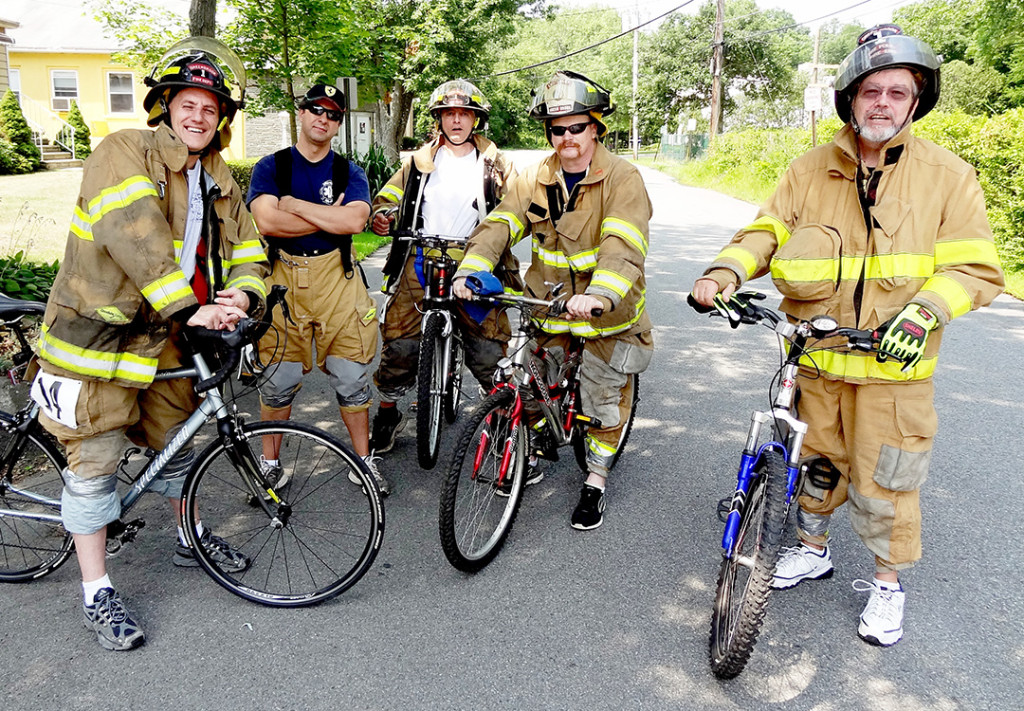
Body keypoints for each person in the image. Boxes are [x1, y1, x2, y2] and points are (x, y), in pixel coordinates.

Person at [691, 25, 1004, 647]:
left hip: (894, 372)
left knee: (888, 481)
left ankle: (887, 585)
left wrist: (922, 315)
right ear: (849, 99)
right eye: (870, 91)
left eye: (897, 91)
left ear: (915, 101)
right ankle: (812, 549)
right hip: (816, 358)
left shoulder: (948, 175)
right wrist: (726, 269)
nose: (882, 103)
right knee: (816, 466)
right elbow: (768, 231)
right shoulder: (809, 169)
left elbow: (975, 268)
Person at [31, 37, 269, 651]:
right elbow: (134, 235)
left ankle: (190, 536)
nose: (198, 116)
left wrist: (242, 296)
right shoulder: (122, 151)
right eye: (187, 104)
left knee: (178, 446)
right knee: (95, 467)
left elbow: (247, 250)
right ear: (164, 105)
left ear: (222, 119)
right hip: (101, 342)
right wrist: (194, 309)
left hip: (166, 338)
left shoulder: (216, 175)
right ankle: (96, 591)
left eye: (210, 108)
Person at [452, 70, 654, 531]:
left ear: (596, 126)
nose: (568, 138)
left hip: (608, 314)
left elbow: (622, 246)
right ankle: (532, 445)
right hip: (549, 305)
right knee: (530, 380)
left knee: (602, 402)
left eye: (577, 127)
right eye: (558, 129)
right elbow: (500, 224)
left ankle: (596, 481)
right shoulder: (534, 178)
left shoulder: (623, 179)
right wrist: (473, 267)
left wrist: (600, 294)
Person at [246, 84, 388, 494]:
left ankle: (363, 462)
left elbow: (354, 223)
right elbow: (268, 224)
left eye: (332, 114)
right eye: (315, 110)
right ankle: (270, 464)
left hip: (337, 280)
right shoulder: (271, 167)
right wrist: (331, 215)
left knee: (352, 377)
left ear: (338, 123)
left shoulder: (350, 172)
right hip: (283, 280)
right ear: (302, 113)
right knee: (278, 378)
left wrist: (295, 206)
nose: (323, 118)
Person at [368, 79, 520, 456]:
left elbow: (518, 207)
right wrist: (382, 214)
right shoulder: (418, 162)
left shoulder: (496, 163)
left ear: (475, 120)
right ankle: (387, 413)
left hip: (475, 262)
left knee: (488, 350)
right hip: (419, 259)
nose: (456, 120)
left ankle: (503, 425)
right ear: (438, 119)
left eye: (464, 113)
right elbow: (387, 196)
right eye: (449, 113)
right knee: (400, 344)